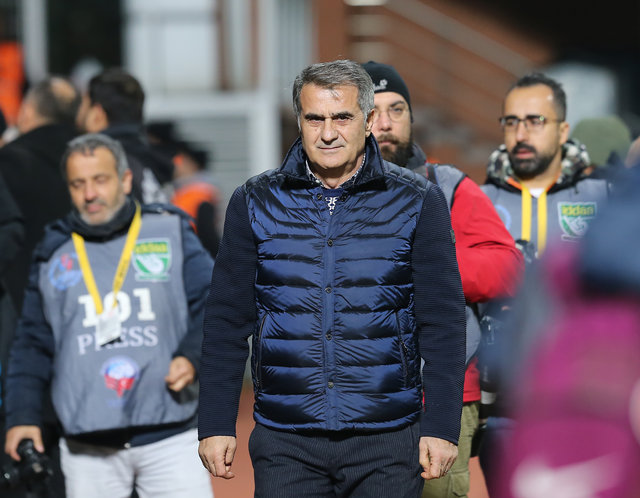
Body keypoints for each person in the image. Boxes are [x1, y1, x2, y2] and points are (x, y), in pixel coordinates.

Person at [197, 59, 466, 497]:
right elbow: (226, 320)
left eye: (341, 117)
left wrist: (441, 426)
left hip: (388, 438)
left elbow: (443, 321)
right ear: (299, 122)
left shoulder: (418, 201)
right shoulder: (254, 201)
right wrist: (215, 422)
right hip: (286, 439)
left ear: (368, 120)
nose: (327, 133)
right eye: (314, 118)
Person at [4, 133, 214, 498]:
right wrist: (22, 416)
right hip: (87, 448)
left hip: (170, 437)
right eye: (78, 184)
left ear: (125, 180)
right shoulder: (53, 250)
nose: (90, 194)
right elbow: (32, 343)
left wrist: (191, 355)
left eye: (100, 180)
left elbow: (215, 303)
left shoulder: (169, 231)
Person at [362, 60, 524, 498]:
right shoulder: (322, 194)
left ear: (411, 118)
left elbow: (507, 267)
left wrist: (421, 264)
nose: (385, 124)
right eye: (372, 112)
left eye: (397, 110)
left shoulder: (448, 185)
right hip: (351, 399)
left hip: (440, 394)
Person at [479, 72, 610, 493]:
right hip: (501, 405)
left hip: (586, 398)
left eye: (535, 121)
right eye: (512, 121)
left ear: (563, 129)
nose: (521, 133)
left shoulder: (604, 196)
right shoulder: (475, 201)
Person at [75, 68, 173, 204]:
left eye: (82, 106)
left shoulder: (103, 167)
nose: (77, 115)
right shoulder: (154, 162)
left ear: (97, 115)